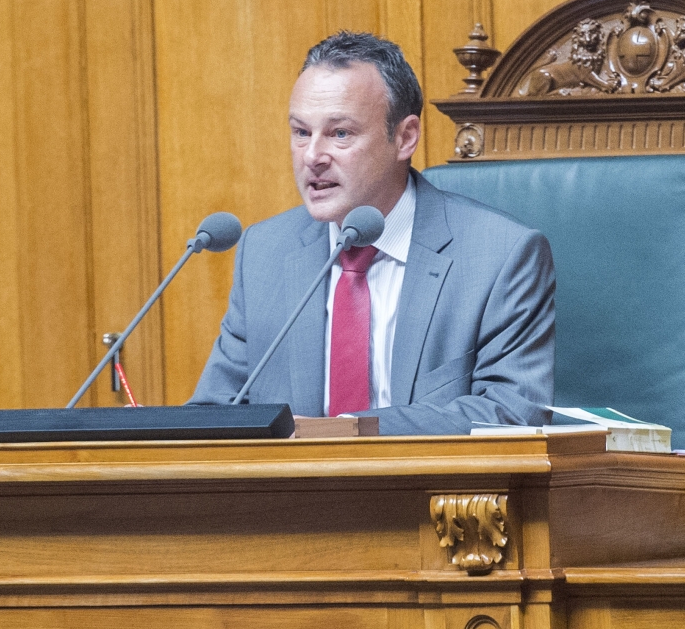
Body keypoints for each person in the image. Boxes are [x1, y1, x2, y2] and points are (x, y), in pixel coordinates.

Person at [191, 31, 555, 433]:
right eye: (301, 132)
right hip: (287, 495)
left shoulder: (500, 256)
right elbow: (216, 413)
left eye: (340, 133)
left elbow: (512, 412)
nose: (312, 156)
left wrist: (347, 430)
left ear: (405, 137)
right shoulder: (265, 252)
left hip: (431, 492)